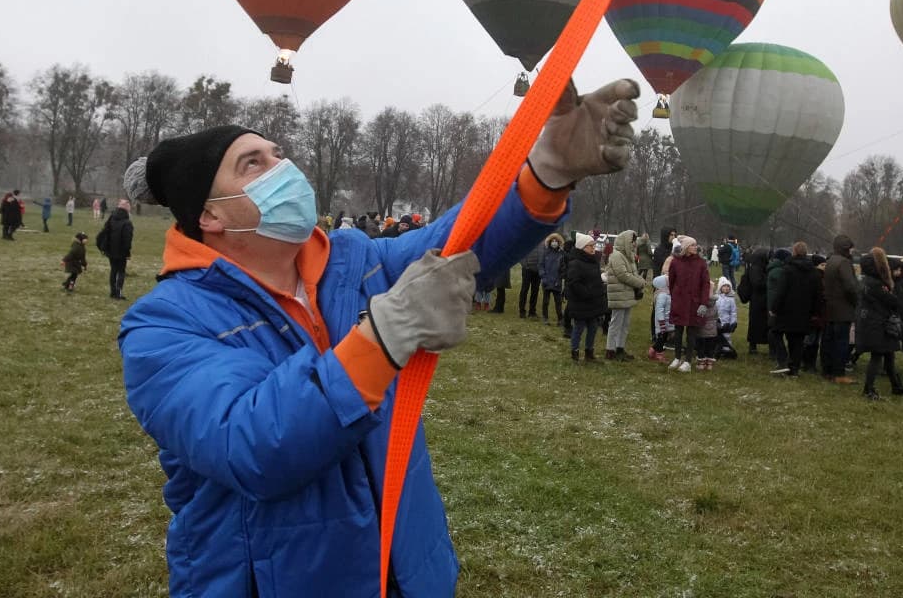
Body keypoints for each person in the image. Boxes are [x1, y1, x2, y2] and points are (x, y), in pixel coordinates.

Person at [117, 79, 639, 597]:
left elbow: (454, 247)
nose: (283, 169)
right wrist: (383, 337)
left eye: (279, 154)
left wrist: (546, 170)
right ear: (209, 214)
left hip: (408, 568)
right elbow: (251, 444)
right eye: (253, 163)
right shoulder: (163, 325)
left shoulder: (352, 258)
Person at [855, 247, 903, 401]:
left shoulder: (870, 280)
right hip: (877, 323)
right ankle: (868, 389)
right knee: (877, 356)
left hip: (878, 321)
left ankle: (896, 386)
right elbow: (892, 301)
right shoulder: (876, 284)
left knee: (889, 355)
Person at [768, 242, 820, 377]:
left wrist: (774, 308)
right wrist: (814, 311)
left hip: (787, 309)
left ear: (794, 252)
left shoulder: (788, 270)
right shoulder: (813, 272)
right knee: (797, 340)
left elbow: (781, 291)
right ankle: (794, 368)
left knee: (775, 332)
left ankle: (783, 360)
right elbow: (817, 293)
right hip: (804, 311)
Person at [667, 235, 710, 373]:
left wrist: (703, 303)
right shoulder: (676, 262)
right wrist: (675, 295)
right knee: (678, 330)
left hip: (694, 302)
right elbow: (671, 281)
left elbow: (705, 284)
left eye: (696, 245)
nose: (695, 247)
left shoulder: (701, 263)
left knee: (692, 332)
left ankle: (688, 361)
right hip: (680, 301)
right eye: (692, 245)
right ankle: (677, 357)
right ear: (686, 247)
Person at [821, 235, 860, 385]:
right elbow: (850, 287)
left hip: (830, 307)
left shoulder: (831, 260)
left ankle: (827, 371)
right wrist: (856, 301)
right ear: (845, 248)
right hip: (843, 309)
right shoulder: (844, 262)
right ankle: (839, 374)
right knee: (842, 343)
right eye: (850, 247)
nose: (852, 250)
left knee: (828, 341)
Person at [566, 233, 608, 363]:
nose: (593, 248)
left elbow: (596, 280)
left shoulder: (594, 261)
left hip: (593, 303)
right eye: (590, 246)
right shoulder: (575, 263)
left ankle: (589, 353)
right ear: (582, 247)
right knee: (578, 328)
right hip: (581, 303)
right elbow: (574, 283)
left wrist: (600, 290)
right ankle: (575, 353)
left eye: (593, 245)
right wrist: (587, 293)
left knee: (593, 328)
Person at [604, 230, 644, 360]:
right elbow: (623, 275)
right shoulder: (616, 256)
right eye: (632, 241)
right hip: (618, 295)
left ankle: (620, 348)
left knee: (625, 324)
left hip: (627, 294)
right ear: (625, 241)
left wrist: (639, 281)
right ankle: (610, 349)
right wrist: (639, 282)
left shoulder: (628, 256)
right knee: (616, 323)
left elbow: (633, 272)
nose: (633, 244)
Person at [739, 247, 771, 356]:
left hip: (760, 299)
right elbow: (757, 283)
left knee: (762, 323)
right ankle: (753, 346)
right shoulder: (756, 268)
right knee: (756, 323)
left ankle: (757, 345)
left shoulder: (757, 267)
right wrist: (768, 281)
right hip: (758, 299)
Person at [100, 199, 134, 300]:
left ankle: (113, 292)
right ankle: (118, 293)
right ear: (127, 209)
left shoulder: (111, 218)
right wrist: (127, 252)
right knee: (121, 271)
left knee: (113, 270)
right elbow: (127, 240)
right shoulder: (127, 223)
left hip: (110, 250)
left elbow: (105, 232)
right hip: (121, 252)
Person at [539, 233, 565, 326]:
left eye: (556, 241)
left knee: (558, 302)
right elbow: (541, 266)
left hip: (556, 282)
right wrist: (543, 277)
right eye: (552, 241)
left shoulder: (562, 254)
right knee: (545, 301)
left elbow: (563, 269)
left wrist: (559, 280)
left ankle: (560, 319)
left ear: (559, 242)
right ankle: (545, 318)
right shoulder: (545, 253)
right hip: (546, 282)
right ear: (549, 242)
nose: (554, 243)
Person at [650, 274, 672, 362]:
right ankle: (659, 354)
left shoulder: (668, 294)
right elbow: (659, 310)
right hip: (662, 322)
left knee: (663, 338)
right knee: (661, 338)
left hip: (667, 321)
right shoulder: (662, 296)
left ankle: (652, 350)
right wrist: (661, 322)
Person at [715, 274, 739, 358]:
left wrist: (733, 322)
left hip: (727, 322)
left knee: (726, 336)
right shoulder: (716, 298)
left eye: (728, 286)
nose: (726, 288)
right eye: (724, 286)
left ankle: (727, 350)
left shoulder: (731, 300)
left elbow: (733, 312)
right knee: (717, 336)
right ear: (720, 288)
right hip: (718, 322)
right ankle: (717, 349)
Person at [518, 238, 542, 319]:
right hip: (527, 270)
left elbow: (542, 255)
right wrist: (526, 265)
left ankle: (532, 311)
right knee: (524, 290)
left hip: (537, 271)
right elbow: (520, 255)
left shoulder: (541, 242)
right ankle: (522, 311)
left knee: (535, 291)